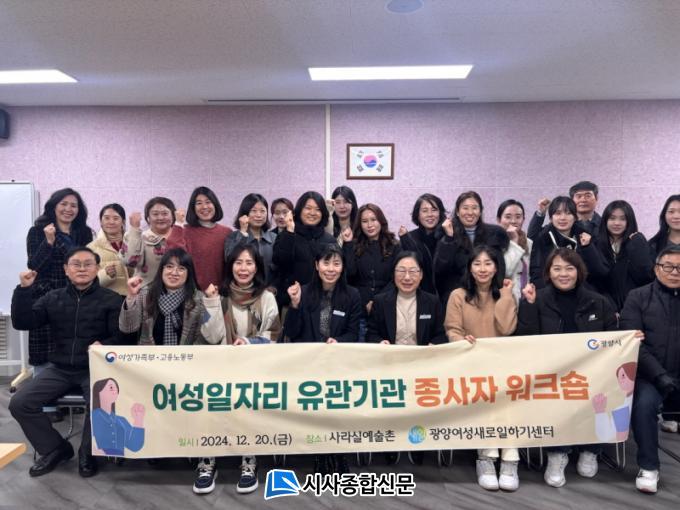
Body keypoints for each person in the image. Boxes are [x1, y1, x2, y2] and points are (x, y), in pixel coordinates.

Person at [9, 247, 123, 478]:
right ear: (66, 270)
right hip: (59, 369)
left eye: (88, 264)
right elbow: (23, 322)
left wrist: (105, 344)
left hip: (95, 368)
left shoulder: (111, 299)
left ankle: (88, 453)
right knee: (20, 403)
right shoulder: (53, 298)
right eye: (76, 264)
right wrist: (23, 290)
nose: (82, 269)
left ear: (97, 268)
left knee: (101, 403)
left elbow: (123, 337)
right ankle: (55, 449)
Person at [517, 248, 617, 488]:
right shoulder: (538, 299)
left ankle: (591, 450)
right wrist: (528, 305)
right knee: (555, 397)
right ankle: (557, 454)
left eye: (569, 268)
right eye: (557, 268)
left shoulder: (599, 302)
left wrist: (632, 338)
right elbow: (526, 340)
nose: (563, 274)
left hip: (592, 373)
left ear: (579, 271)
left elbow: (614, 340)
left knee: (602, 394)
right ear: (548, 272)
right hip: (551, 373)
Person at [196, 244, 281, 495]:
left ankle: (249, 458)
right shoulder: (218, 295)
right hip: (220, 369)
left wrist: (249, 343)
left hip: (256, 369)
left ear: (257, 267)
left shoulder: (266, 297)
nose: (243, 268)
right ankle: (207, 460)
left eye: (249, 263)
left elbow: (274, 334)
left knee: (250, 406)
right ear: (230, 266)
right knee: (210, 406)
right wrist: (211, 303)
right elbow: (211, 337)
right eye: (238, 262)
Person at [444, 246, 519, 491]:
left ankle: (510, 460)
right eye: (477, 263)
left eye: (488, 263)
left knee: (508, 402)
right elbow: (452, 329)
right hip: (470, 365)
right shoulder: (458, 295)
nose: (482, 269)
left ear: (496, 267)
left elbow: (506, 328)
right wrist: (461, 342)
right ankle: (486, 458)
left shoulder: (505, 294)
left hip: (502, 366)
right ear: (470, 267)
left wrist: (506, 295)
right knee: (485, 399)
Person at [284, 244, 361, 474]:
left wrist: (339, 342)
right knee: (316, 409)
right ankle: (320, 453)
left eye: (336, 263)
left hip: (339, 364)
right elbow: (292, 332)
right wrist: (294, 305)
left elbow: (354, 333)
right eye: (326, 263)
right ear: (316, 265)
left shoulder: (352, 295)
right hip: (308, 366)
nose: (331, 269)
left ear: (343, 267)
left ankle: (338, 453)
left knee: (338, 407)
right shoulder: (303, 292)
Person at [620, 245, 680, 493]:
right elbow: (633, 342)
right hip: (650, 375)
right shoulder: (637, 297)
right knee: (643, 405)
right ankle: (649, 467)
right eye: (668, 266)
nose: (674, 272)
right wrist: (660, 375)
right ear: (656, 269)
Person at [25, 187, 93, 367]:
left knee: (76, 348)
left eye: (74, 205)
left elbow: (89, 264)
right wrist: (49, 242)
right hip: (47, 297)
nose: (68, 209)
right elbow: (34, 265)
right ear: (54, 206)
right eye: (64, 204)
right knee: (47, 354)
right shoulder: (37, 231)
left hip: (78, 297)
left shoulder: (84, 233)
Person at [119, 248, 208, 346]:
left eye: (181, 268)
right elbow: (128, 328)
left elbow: (203, 339)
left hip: (186, 355)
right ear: (161, 270)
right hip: (150, 354)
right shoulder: (145, 294)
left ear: (188, 273)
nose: (174, 273)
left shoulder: (199, 299)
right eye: (169, 267)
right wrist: (131, 296)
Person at [434, 191, 509, 304]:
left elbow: (500, 268)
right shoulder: (446, 233)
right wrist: (449, 238)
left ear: (480, 211)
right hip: (457, 298)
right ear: (457, 212)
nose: (470, 212)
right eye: (465, 208)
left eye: (474, 208)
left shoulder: (494, 234)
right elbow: (439, 270)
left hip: (488, 296)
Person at [579, 200, 654, 312]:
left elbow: (646, 276)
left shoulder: (637, 242)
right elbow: (594, 280)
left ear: (629, 221)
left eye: (622, 219)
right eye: (612, 218)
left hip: (636, 306)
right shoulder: (595, 244)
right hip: (604, 308)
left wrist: (636, 246)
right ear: (605, 220)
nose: (617, 223)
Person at [342, 203, 401, 341]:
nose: (369, 225)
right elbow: (350, 274)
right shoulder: (353, 245)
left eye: (373, 220)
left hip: (387, 306)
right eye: (364, 221)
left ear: (381, 221)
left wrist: (377, 301)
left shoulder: (395, 245)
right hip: (360, 309)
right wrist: (348, 244)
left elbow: (397, 278)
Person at [272, 191, 337, 311]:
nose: (312, 213)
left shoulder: (329, 240)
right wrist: (290, 231)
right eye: (308, 208)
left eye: (317, 209)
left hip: (322, 304)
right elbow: (280, 262)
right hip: (291, 303)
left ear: (323, 213)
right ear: (299, 210)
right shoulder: (287, 235)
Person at [367, 251, 446, 346]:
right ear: (394, 273)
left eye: (412, 271)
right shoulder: (380, 301)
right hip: (390, 354)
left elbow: (441, 335)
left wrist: (433, 345)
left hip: (422, 355)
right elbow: (371, 334)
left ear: (421, 275)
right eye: (401, 271)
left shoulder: (432, 302)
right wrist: (380, 342)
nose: (407, 277)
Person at [167, 186, 232, 291]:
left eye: (208, 202)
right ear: (193, 208)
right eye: (199, 203)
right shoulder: (185, 231)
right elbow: (173, 255)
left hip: (221, 292)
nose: (204, 207)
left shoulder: (227, 232)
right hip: (192, 292)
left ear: (215, 205)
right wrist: (178, 224)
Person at [122, 196, 183, 287]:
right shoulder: (136, 236)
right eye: (155, 214)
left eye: (165, 213)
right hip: (146, 291)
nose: (160, 217)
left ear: (173, 216)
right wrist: (135, 229)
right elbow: (130, 262)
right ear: (148, 218)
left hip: (179, 290)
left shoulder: (183, 235)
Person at [529, 196, 585, 288]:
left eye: (568, 213)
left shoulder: (583, 237)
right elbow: (531, 236)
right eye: (558, 213)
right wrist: (541, 212)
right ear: (551, 218)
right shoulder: (543, 237)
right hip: (547, 288)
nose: (563, 218)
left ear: (575, 217)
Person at [398, 193, 446, 296]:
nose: (430, 214)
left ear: (440, 213)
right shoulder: (409, 238)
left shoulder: (448, 237)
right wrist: (406, 241)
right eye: (424, 211)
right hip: (418, 296)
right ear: (417, 215)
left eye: (434, 210)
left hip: (446, 296)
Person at [225, 193, 276, 284]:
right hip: (243, 289)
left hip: (270, 289)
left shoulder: (274, 238)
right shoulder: (233, 236)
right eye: (254, 211)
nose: (259, 215)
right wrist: (243, 233)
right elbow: (229, 260)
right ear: (245, 213)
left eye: (262, 211)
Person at [527, 181, 601, 240]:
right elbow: (532, 238)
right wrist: (541, 212)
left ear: (596, 198)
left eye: (588, 196)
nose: (583, 200)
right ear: (572, 200)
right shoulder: (561, 224)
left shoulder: (604, 224)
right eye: (578, 196)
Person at [91, 378, 145, 456]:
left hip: (120, 460)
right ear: (98, 391)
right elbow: (88, 439)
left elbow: (134, 445)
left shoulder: (121, 420)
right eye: (111, 387)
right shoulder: (93, 416)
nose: (115, 391)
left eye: (116, 388)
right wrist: (94, 450)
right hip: (99, 460)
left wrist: (138, 419)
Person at [88, 203, 130, 295]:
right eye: (106, 218)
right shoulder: (91, 248)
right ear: (101, 222)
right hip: (107, 299)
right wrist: (105, 274)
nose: (111, 222)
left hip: (135, 297)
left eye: (116, 218)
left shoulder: (133, 244)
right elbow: (86, 280)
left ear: (123, 222)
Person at [497, 199, 532, 302]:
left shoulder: (529, 243)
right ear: (499, 220)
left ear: (523, 219)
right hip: (503, 299)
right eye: (508, 217)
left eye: (518, 217)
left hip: (527, 298)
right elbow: (506, 271)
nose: (513, 221)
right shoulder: (492, 243)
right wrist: (514, 242)